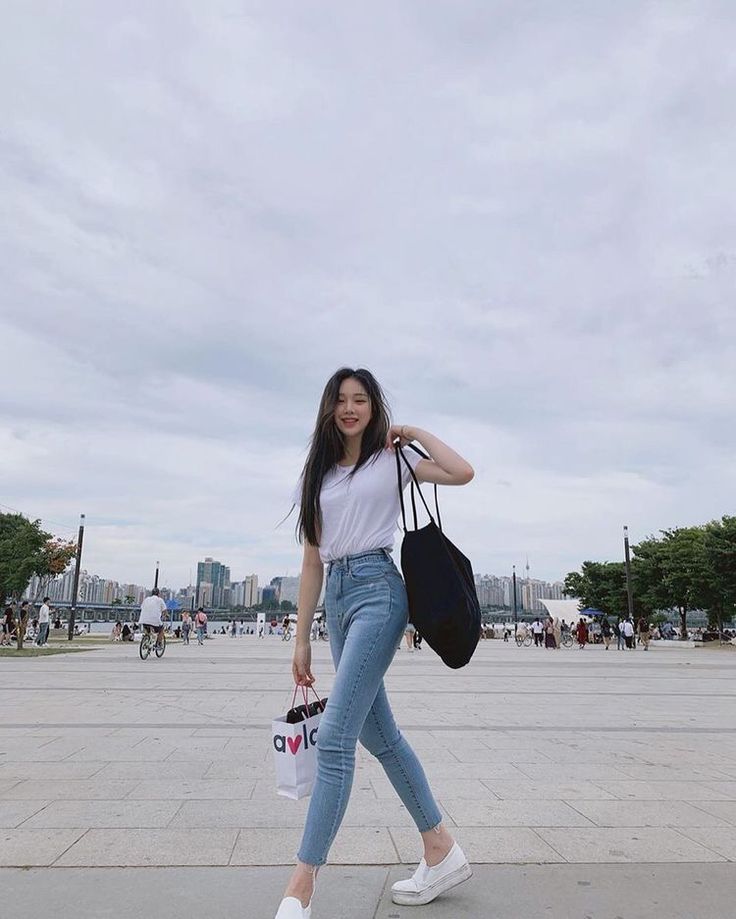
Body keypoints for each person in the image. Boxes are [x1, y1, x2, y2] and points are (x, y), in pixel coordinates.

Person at [275, 368, 474, 919]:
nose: (350, 408)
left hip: (380, 593)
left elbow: (462, 472)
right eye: (341, 400)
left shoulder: (393, 459)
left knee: (335, 738)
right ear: (328, 409)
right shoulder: (315, 475)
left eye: (360, 399)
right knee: (379, 737)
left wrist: (413, 431)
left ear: (372, 406)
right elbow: (312, 562)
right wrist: (301, 640)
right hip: (337, 600)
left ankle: (301, 884)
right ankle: (440, 847)